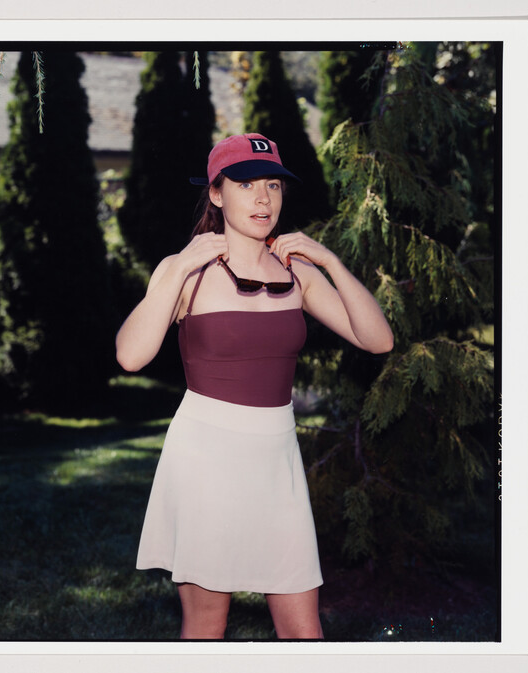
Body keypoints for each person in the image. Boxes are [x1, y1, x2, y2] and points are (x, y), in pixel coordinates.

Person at [115, 133, 394, 640]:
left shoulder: (298, 270)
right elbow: (131, 356)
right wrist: (179, 265)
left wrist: (329, 261)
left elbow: (376, 340)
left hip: (277, 459)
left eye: (273, 185)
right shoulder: (186, 273)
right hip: (205, 458)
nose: (264, 199)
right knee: (205, 627)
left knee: (303, 631)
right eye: (246, 185)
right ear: (217, 194)